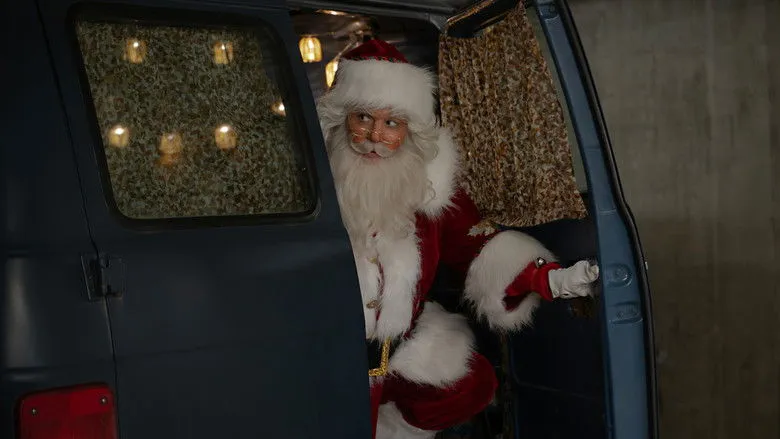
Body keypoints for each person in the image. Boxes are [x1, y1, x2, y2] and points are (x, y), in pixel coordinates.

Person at [316, 38, 600, 439]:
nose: (375, 136)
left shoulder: (431, 189)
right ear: (343, 117)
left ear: (410, 129)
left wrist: (547, 278)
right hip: (323, 359)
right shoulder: (313, 183)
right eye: (363, 117)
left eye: (392, 123)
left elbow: (476, 245)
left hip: (395, 353)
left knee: (469, 383)